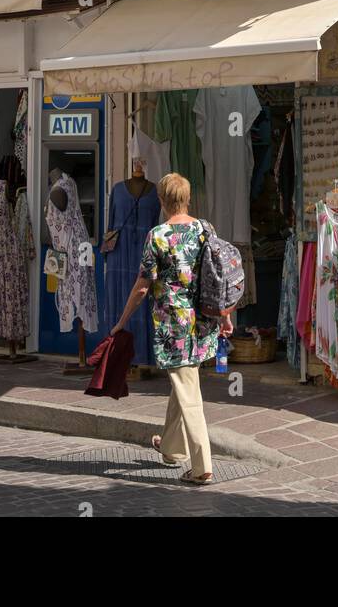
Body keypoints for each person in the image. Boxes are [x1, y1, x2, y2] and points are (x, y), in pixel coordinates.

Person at [111, 171, 232, 485]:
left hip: (173, 324)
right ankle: (170, 448)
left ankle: (202, 463)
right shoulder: (205, 229)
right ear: (188, 199)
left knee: (187, 389)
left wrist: (122, 321)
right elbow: (218, 277)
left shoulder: (158, 236)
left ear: (162, 202)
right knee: (184, 382)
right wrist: (225, 316)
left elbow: (142, 285)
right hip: (203, 321)